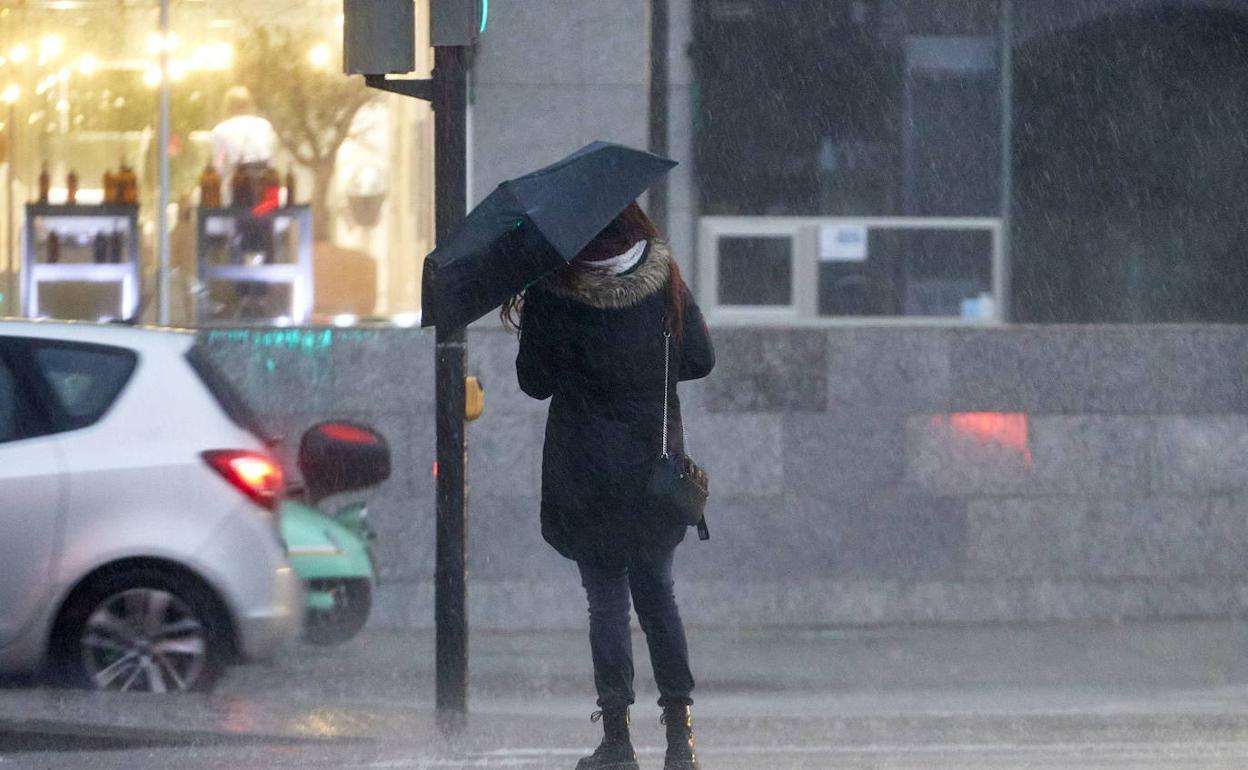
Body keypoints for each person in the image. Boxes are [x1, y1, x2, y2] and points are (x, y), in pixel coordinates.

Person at [504, 201, 715, 770]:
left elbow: (534, 382)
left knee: (606, 605)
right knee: (658, 599)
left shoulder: (555, 288)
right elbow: (699, 357)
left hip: (585, 470)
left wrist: (538, 312)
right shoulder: (662, 273)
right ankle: (680, 740)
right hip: (652, 467)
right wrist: (646, 366)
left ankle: (618, 740)